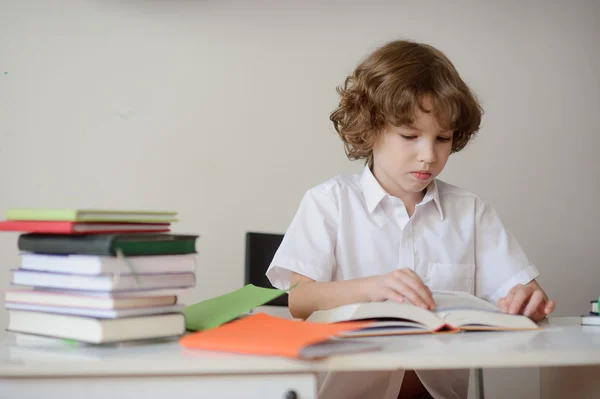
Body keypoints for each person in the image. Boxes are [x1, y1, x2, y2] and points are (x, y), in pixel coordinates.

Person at [266, 40, 555, 399]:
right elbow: (300, 300)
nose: (428, 155)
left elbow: (527, 293)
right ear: (370, 128)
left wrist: (529, 300)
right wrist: (374, 288)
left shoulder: (470, 212)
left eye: (443, 138)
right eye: (409, 136)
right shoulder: (329, 202)